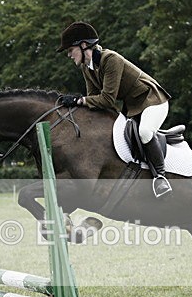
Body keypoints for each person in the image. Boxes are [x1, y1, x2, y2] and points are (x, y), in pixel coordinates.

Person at [56, 21, 172, 198]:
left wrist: (78, 100)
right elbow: (94, 100)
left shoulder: (110, 59)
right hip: (132, 107)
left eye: (70, 50)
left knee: (145, 132)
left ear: (84, 45)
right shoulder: (87, 68)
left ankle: (161, 178)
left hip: (153, 100)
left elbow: (107, 99)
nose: (69, 55)